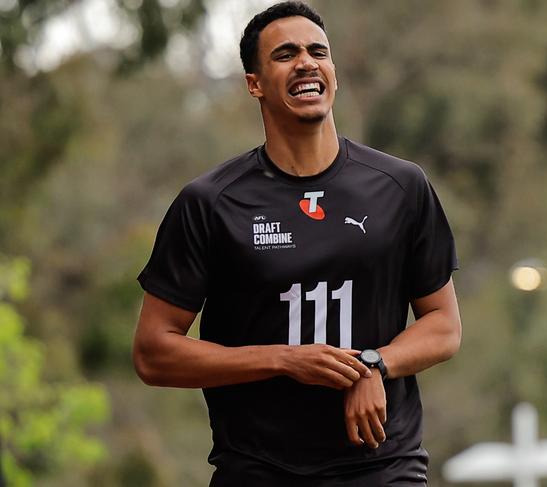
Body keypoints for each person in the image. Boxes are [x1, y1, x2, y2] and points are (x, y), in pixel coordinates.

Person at [133, 2, 462, 485]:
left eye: (318, 52)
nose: (306, 62)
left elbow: (443, 325)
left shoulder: (400, 186)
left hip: (382, 465)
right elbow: (152, 352)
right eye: (285, 54)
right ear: (255, 83)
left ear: (333, 73)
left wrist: (375, 365)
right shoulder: (210, 203)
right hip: (258, 468)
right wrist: (283, 359)